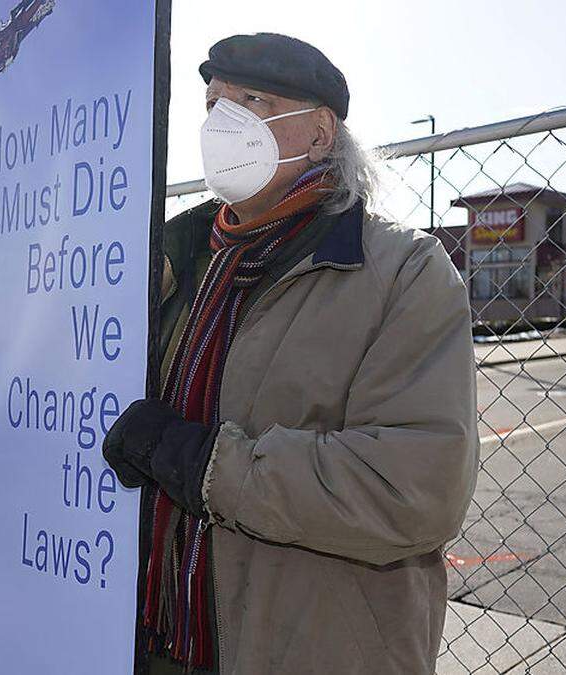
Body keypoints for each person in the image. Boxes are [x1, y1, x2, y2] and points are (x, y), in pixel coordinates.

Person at [103, 33, 479, 674]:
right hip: (151, 642)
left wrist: (205, 467)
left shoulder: (399, 272)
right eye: (214, 101)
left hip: (304, 650)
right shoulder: (169, 266)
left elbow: (414, 487)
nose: (224, 121)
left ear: (319, 134)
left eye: (252, 100)